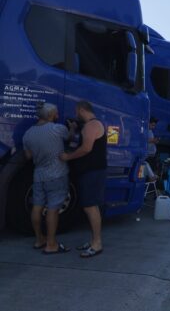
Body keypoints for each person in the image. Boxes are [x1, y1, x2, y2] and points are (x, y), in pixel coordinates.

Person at [23, 103, 75, 254]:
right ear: (51, 115)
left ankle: (39, 239)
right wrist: (73, 128)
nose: (58, 116)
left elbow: (28, 156)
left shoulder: (28, 133)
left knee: (37, 207)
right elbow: (70, 139)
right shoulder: (58, 129)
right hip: (57, 175)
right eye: (56, 114)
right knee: (52, 210)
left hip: (38, 176)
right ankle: (51, 245)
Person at [60, 101, 107, 258]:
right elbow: (81, 142)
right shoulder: (88, 126)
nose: (75, 114)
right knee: (89, 205)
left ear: (81, 109)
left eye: (76, 111)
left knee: (90, 206)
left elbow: (86, 148)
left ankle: (97, 244)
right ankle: (93, 240)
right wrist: (73, 130)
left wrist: (68, 156)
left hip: (92, 172)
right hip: (91, 171)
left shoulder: (91, 125)